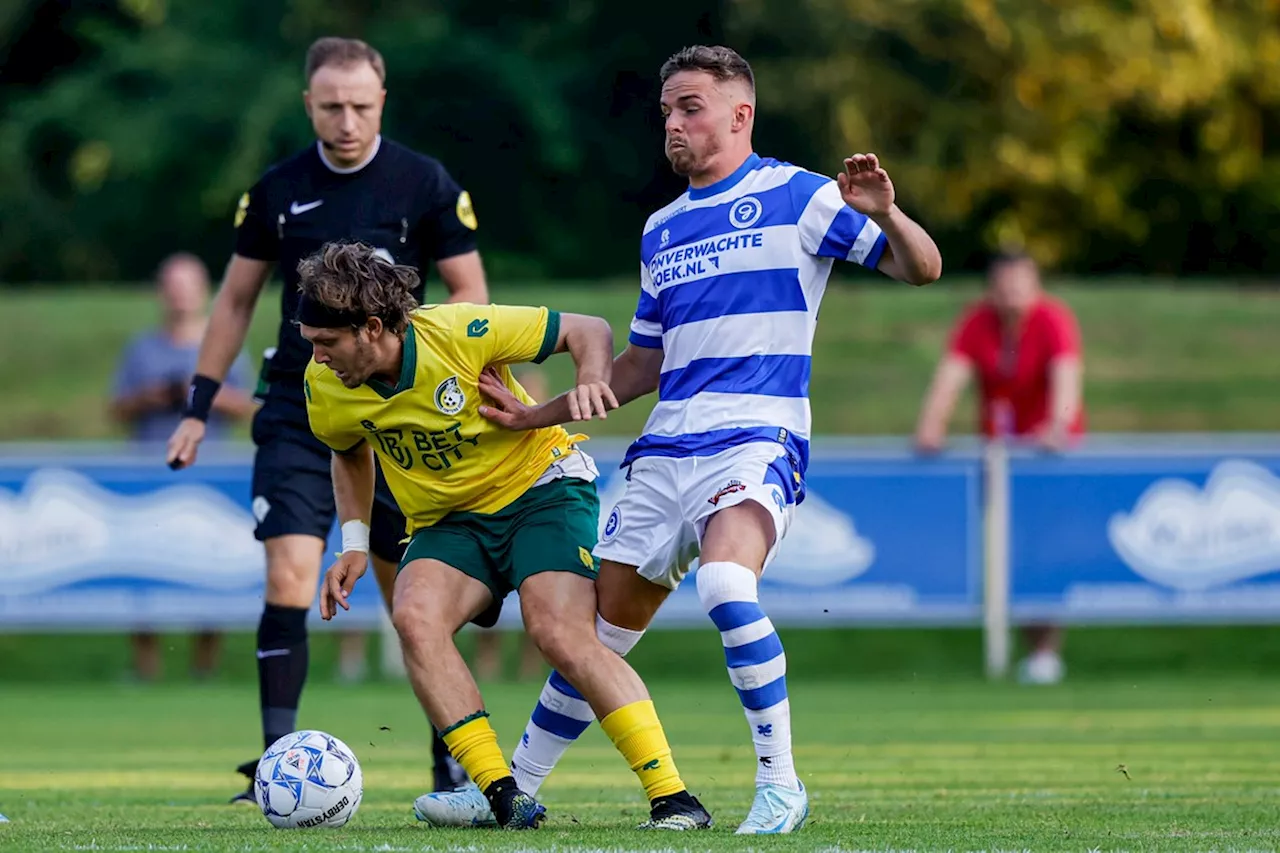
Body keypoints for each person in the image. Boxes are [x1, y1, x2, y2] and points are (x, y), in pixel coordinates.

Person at [416, 44, 942, 834]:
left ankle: (780, 783)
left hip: (754, 439)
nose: (673, 123)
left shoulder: (800, 196)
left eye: (690, 106)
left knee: (728, 587)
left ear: (740, 114)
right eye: (666, 109)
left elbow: (923, 269)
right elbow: (639, 366)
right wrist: (537, 413)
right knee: (591, 637)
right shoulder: (663, 229)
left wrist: (887, 214)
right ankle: (509, 790)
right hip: (664, 456)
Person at [164, 37, 486, 802]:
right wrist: (198, 407)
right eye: (332, 105)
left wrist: (440, 374)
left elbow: (470, 294)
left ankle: (451, 762)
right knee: (290, 571)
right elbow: (235, 301)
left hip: (397, 419)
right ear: (309, 104)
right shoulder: (279, 188)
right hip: (297, 410)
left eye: (362, 106)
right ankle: (276, 764)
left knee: (411, 599)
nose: (347, 120)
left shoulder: (425, 182)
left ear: (383, 101)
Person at [301, 240, 712, 831]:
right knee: (415, 618)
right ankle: (501, 794)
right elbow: (348, 450)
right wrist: (355, 544)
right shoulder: (325, 385)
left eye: (326, 343)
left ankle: (673, 797)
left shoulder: (459, 331)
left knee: (558, 632)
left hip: (539, 490)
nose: (316, 358)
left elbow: (588, 328)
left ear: (371, 327)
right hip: (448, 523)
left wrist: (593, 381)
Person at [913, 249, 1084, 685]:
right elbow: (950, 377)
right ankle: (1021, 649)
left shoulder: (1053, 319)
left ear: (1035, 286)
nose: (1011, 296)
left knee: (1043, 552)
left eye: (1020, 286)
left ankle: (1045, 652)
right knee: (1009, 552)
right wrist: (932, 425)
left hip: (1048, 459)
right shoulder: (977, 321)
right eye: (1004, 287)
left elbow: (1067, 378)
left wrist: (1057, 425)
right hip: (1001, 457)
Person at [110, 252, 257, 682]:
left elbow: (247, 404)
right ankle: (146, 669)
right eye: (172, 286)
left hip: (207, 476)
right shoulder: (142, 348)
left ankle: (203, 668)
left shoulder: (225, 346)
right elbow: (117, 407)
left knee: (209, 572)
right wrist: (155, 395)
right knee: (142, 573)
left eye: (186, 286)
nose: (179, 296)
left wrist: (199, 394)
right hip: (150, 473)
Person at [471, 365, 551, 683]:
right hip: (489, 503)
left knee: (539, 599)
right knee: (486, 599)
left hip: (532, 504)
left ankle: (530, 671)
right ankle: (486, 668)